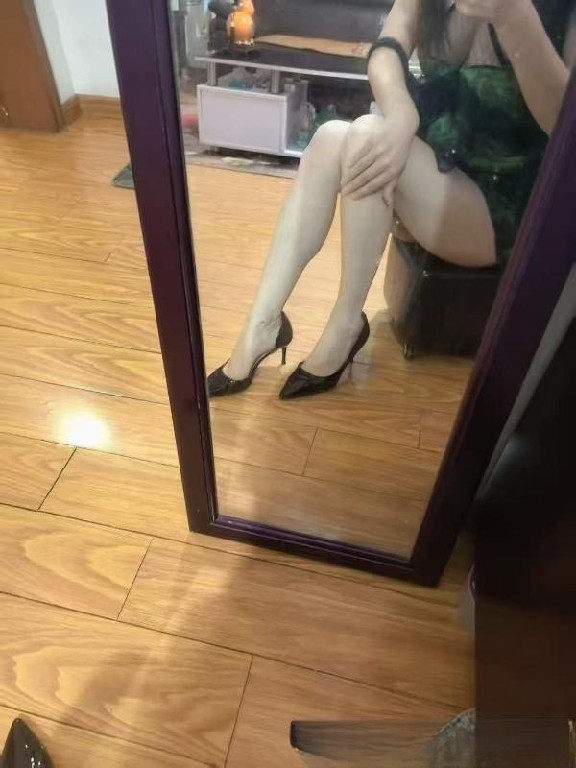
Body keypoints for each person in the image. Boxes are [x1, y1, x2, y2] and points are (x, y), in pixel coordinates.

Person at [208, 0, 576, 400]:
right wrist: (401, 113)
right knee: (331, 138)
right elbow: (387, 47)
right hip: (437, 168)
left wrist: (516, 19)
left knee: (367, 134)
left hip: (504, 202)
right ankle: (263, 323)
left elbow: (565, 125)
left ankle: (347, 323)